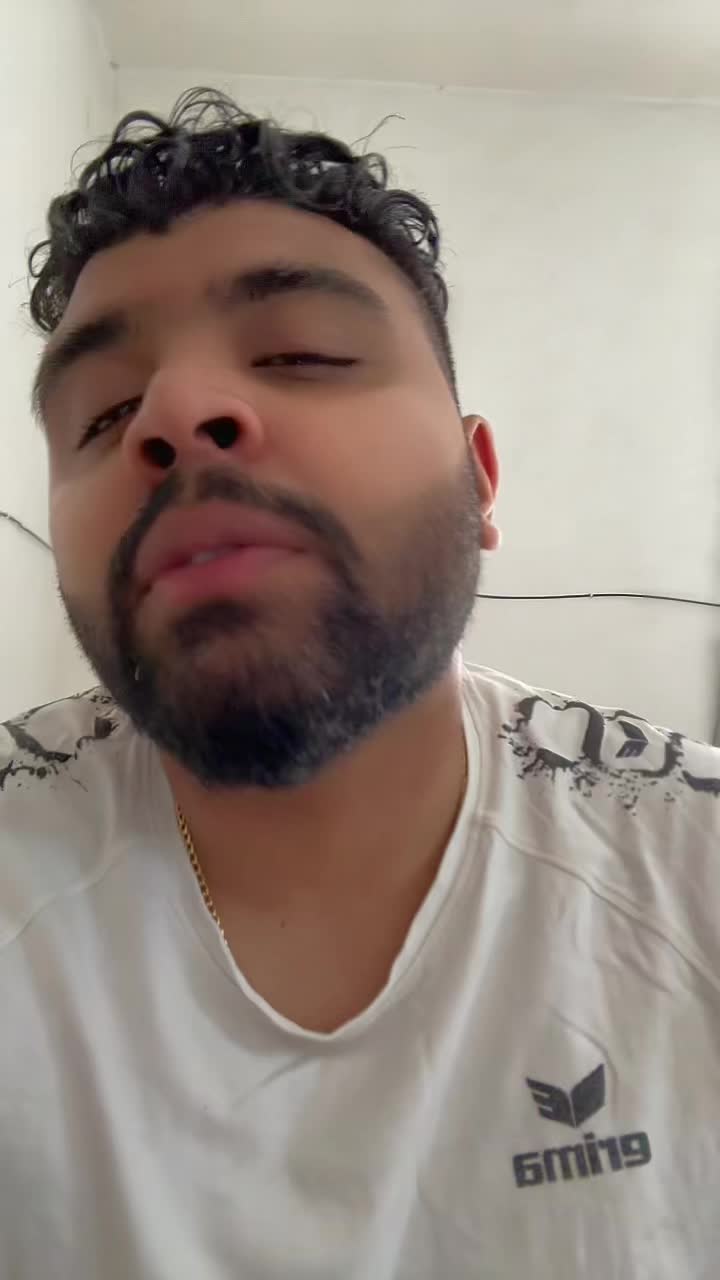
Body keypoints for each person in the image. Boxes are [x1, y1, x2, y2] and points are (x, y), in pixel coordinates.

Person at [1, 85, 718, 1279]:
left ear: (479, 482)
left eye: (301, 354)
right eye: (104, 411)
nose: (171, 413)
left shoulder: (690, 867)